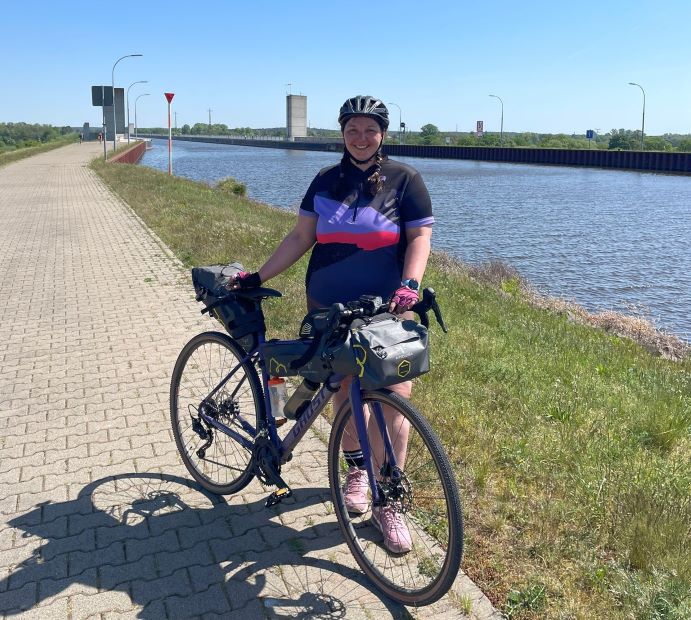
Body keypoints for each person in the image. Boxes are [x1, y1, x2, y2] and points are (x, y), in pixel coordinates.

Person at [230, 95, 433, 553]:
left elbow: (420, 236)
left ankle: (390, 500)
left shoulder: (405, 180)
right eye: (352, 130)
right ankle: (358, 471)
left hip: (387, 305)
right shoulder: (325, 180)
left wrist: (410, 284)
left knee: (392, 399)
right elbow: (302, 236)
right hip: (327, 303)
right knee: (344, 389)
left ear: (383, 133)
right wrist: (258, 276)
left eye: (370, 130)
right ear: (342, 134)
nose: (361, 138)